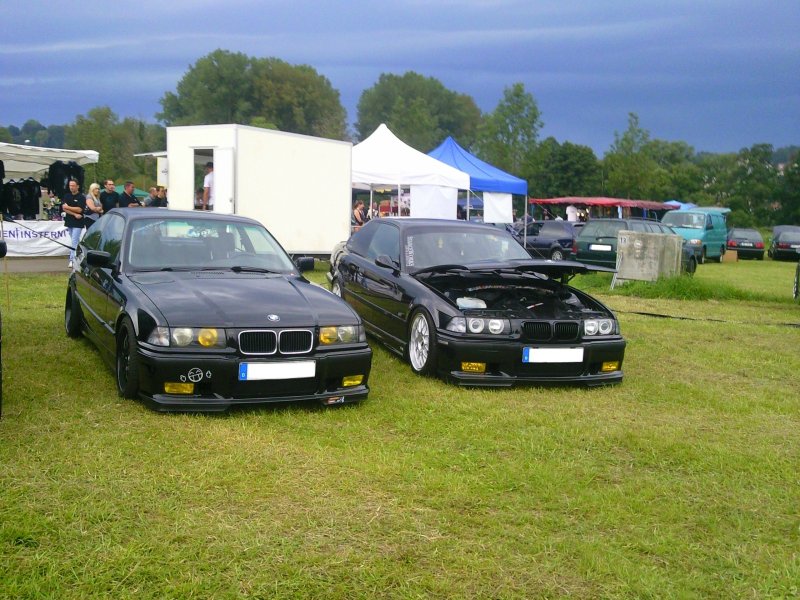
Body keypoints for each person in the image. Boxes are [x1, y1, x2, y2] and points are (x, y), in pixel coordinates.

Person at [61, 179, 86, 268]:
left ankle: (72, 259)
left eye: (73, 185)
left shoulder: (81, 197)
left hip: (78, 222)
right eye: (70, 185)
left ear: (77, 186)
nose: (71, 187)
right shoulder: (67, 196)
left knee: (74, 241)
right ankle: (80, 254)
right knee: (74, 240)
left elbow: (80, 209)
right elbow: (64, 208)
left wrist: (69, 207)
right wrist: (74, 213)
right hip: (69, 221)